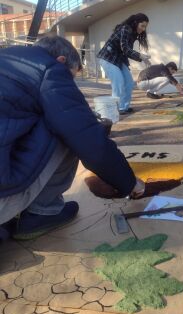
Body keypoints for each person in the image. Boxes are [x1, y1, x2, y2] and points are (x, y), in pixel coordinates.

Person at [0, 35, 145, 241]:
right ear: (60, 61)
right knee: (67, 128)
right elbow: (87, 138)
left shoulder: (10, 59)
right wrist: (128, 182)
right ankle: (43, 212)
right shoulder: (50, 70)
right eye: (72, 78)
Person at [97, 13, 151, 114]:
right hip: (108, 58)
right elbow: (125, 49)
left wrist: (142, 59)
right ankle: (116, 108)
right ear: (135, 23)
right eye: (142, 26)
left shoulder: (133, 34)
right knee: (118, 82)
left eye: (145, 27)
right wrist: (140, 56)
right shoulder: (125, 28)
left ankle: (124, 107)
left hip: (119, 60)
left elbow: (126, 51)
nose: (143, 29)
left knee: (129, 82)